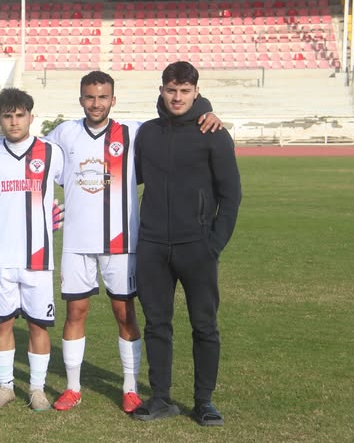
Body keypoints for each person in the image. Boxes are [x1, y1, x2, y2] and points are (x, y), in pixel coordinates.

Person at [0, 71, 221, 414]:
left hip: (121, 242)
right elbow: (22, 140)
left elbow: (175, 116)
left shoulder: (134, 132)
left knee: (124, 313)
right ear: (81, 100)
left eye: (102, 97)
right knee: (75, 313)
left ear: (113, 100)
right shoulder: (64, 134)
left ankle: (130, 388)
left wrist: (205, 109)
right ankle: (73, 388)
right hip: (76, 243)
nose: (96, 103)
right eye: (90, 97)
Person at [132, 61, 241, 426]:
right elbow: (128, 175)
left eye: (184, 91)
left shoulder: (213, 133)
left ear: (196, 92)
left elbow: (231, 194)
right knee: (156, 324)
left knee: (204, 325)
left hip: (197, 246)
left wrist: (214, 244)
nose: (177, 97)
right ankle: (160, 398)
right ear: (161, 90)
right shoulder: (147, 133)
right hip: (152, 245)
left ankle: (204, 402)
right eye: (171, 90)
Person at [0, 88, 64, 412]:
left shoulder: (51, 152)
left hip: (38, 256)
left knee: (37, 324)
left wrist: (60, 214)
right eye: (7, 116)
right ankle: (6, 387)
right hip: (0, 255)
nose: (14, 122)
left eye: (19, 115)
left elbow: (76, 185)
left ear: (31, 116)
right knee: (2, 323)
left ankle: (37, 389)